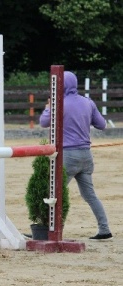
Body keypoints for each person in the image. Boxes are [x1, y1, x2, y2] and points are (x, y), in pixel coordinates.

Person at [39, 71, 113, 241]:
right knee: (90, 195)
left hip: (67, 156)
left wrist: (48, 108)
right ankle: (104, 228)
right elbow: (101, 125)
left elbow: (44, 122)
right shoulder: (88, 102)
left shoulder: (59, 104)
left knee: (53, 194)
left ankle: (45, 229)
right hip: (86, 156)